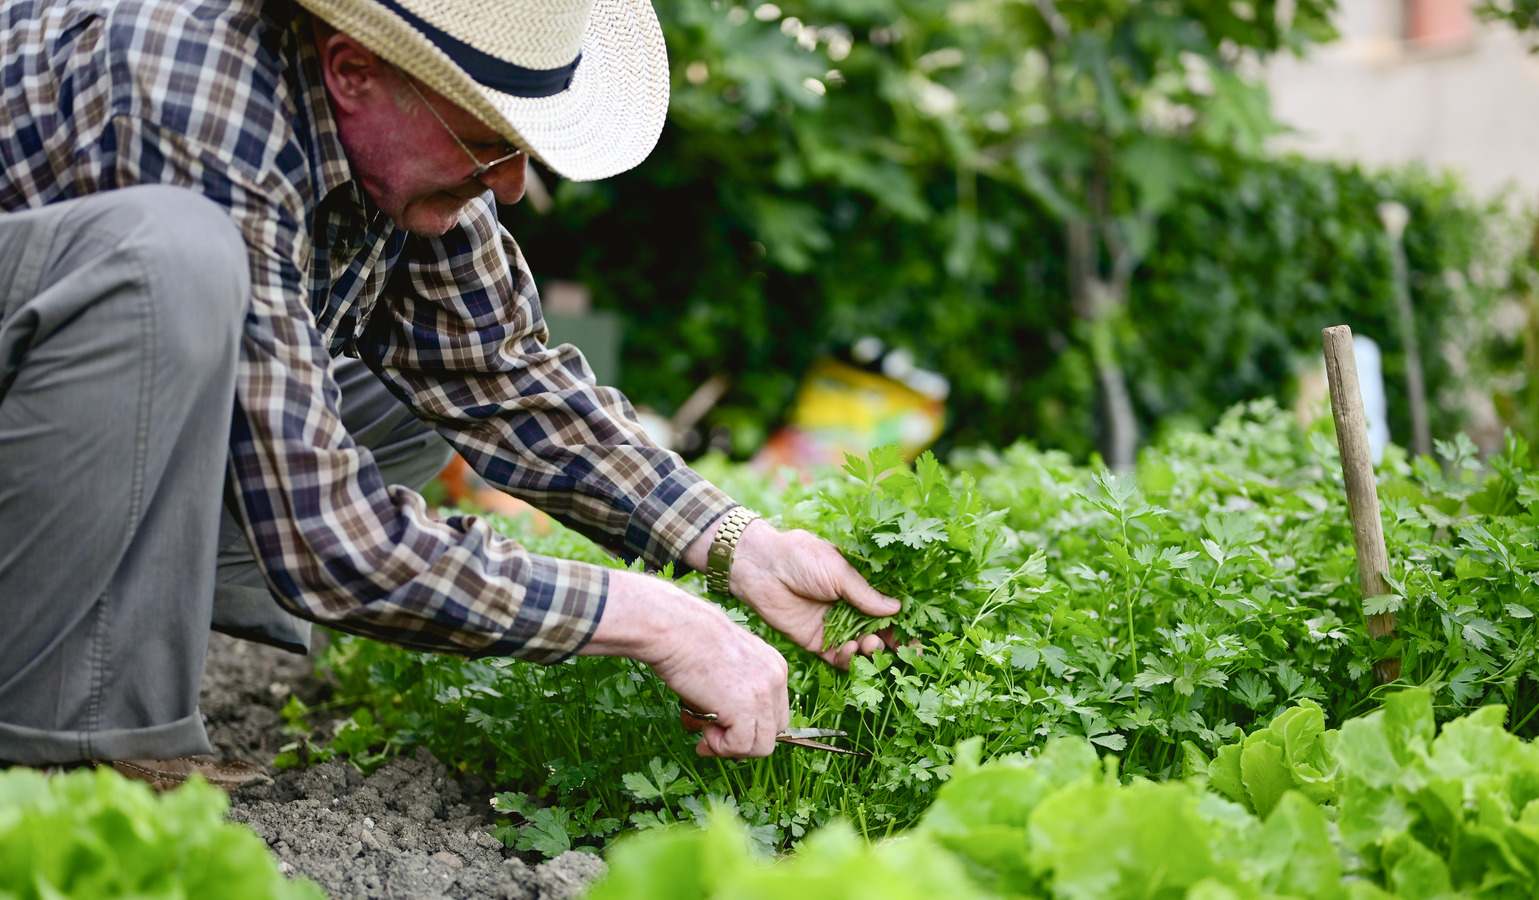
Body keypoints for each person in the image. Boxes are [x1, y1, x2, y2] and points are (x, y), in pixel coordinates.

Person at [0, 0, 900, 776]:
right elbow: (329, 542)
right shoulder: (196, 91)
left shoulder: (393, 146)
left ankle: (107, 623)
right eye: (486, 142)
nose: (509, 189)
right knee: (173, 265)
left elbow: (505, 380)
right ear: (353, 68)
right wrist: (656, 620)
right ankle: (71, 740)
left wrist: (736, 543)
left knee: (413, 404)